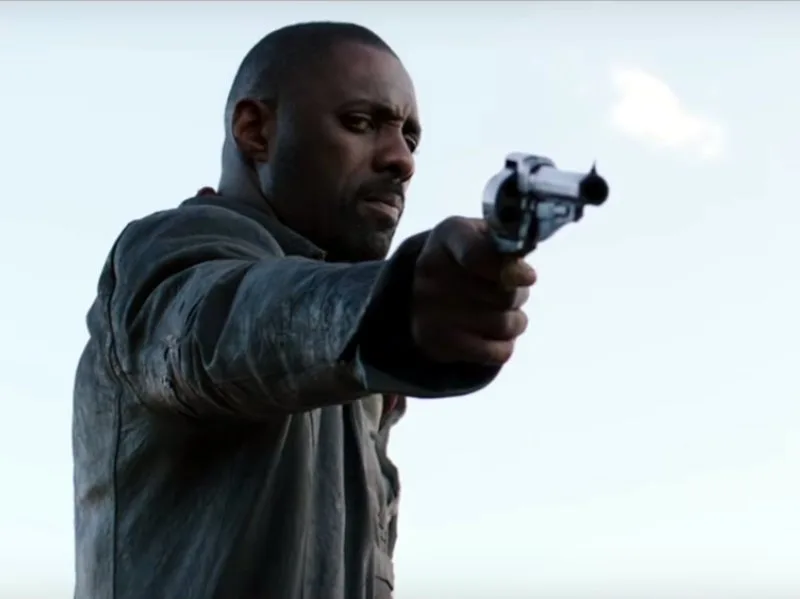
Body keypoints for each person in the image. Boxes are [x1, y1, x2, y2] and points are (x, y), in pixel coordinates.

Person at [72, 21, 536, 599]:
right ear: (255, 131)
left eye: (410, 139)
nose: (402, 160)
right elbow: (216, 326)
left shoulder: (357, 372)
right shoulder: (166, 252)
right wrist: (391, 306)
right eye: (360, 123)